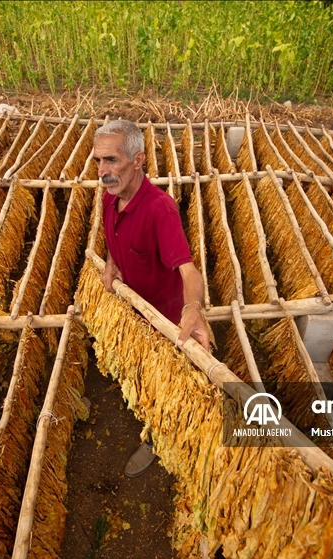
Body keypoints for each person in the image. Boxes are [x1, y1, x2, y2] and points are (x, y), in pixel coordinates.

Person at [93, 119, 209, 477]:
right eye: (98, 161)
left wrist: (193, 310)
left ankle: (156, 441)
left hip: (164, 322)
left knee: (168, 390)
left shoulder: (160, 210)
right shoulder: (110, 199)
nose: (102, 172)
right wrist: (112, 264)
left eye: (111, 160)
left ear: (139, 159)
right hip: (135, 313)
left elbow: (189, 271)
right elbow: (114, 238)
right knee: (140, 376)